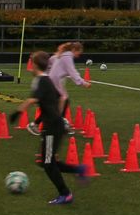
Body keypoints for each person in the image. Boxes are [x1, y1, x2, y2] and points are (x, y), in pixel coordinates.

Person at [18, 49, 91, 205]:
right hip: (52, 126)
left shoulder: (44, 81)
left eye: (32, 61)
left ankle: (66, 194)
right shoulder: (45, 80)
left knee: (48, 163)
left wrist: (19, 112)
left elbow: (39, 100)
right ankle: (79, 170)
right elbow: (61, 98)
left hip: (52, 128)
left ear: (36, 65)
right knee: (45, 161)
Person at [47, 41, 89, 105]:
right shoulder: (67, 57)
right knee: (64, 99)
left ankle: (57, 114)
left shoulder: (63, 54)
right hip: (55, 80)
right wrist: (83, 83)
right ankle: (57, 115)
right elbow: (72, 72)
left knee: (61, 99)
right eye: (79, 53)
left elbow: (51, 60)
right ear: (74, 50)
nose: (78, 56)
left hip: (53, 79)